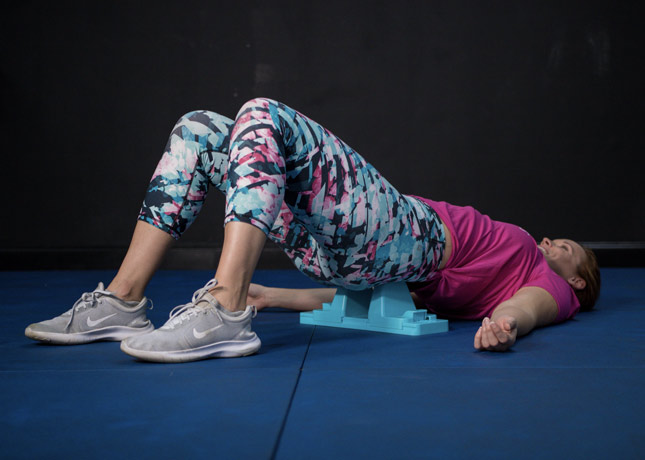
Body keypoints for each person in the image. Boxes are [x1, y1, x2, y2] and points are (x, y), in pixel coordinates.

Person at [25, 98, 601, 361]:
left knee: (262, 114)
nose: (551, 242)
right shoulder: (502, 273)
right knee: (198, 129)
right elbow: (372, 294)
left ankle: (224, 310)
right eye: (554, 239)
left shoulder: (543, 281)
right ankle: (123, 299)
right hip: (351, 250)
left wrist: (506, 325)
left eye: (566, 249)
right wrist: (271, 296)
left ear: (577, 282)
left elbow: (529, 307)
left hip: (405, 232)